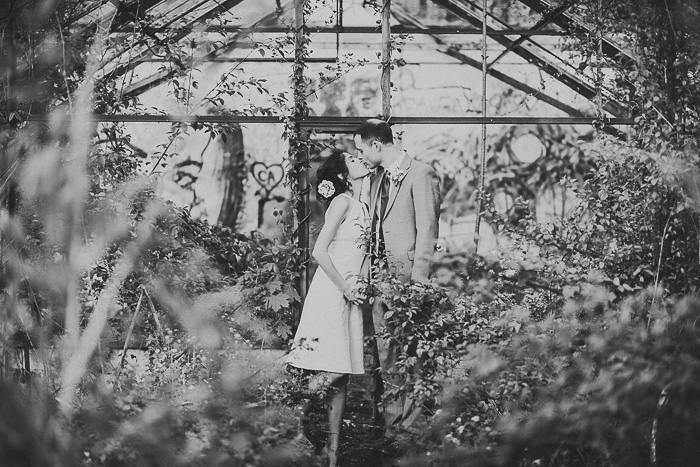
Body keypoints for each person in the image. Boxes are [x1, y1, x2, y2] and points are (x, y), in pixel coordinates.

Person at [353, 119, 441, 443]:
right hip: (381, 287)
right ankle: (392, 429)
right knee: (388, 361)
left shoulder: (421, 173)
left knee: (413, 359)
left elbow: (428, 230)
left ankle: (412, 432)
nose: (359, 155)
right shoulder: (375, 181)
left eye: (361, 149)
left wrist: (418, 283)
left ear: (377, 145)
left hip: (409, 287)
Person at [286, 149, 371, 467]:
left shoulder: (361, 203)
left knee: (343, 373)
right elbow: (319, 252)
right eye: (352, 157)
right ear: (343, 173)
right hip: (333, 291)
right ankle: (290, 419)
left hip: (350, 294)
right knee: (337, 368)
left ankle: (332, 456)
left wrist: (360, 285)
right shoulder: (342, 202)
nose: (360, 158)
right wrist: (347, 287)